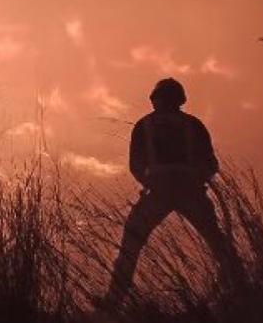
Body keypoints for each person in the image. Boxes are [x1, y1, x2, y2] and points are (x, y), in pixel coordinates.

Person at [103, 78, 242, 309]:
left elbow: (135, 165)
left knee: (131, 245)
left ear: (154, 99)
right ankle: (242, 290)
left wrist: (152, 183)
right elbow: (211, 164)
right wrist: (195, 182)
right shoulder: (194, 125)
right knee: (219, 245)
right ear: (181, 100)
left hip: (159, 192)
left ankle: (113, 301)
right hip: (191, 191)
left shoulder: (144, 125)